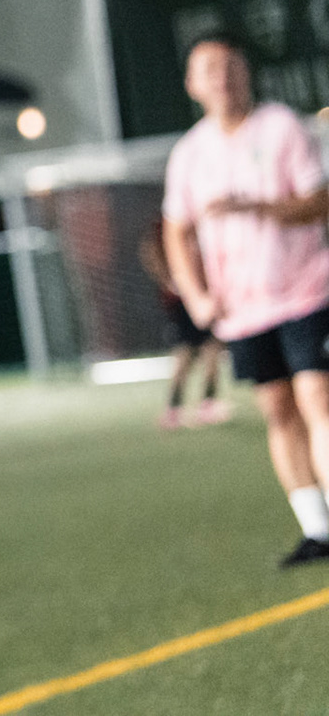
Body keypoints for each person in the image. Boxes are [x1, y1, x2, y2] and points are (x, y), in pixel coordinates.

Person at [162, 33, 329, 567]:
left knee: (317, 400)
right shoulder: (189, 154)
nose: (222, 77)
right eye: (208, 68)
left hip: (306, 291)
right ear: (191, 84)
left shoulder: (282, 126)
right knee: (278, 410)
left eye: (231, 65)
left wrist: (255, 207)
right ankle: (316, 528)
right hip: (242, 307)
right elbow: (176, 231)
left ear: (247, 72)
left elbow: (317, 202)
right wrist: (195, 294)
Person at [139, 221, 229, 429]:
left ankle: (207, 403)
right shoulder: (166, 224)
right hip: (183, 299)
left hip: (205, 296)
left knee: (211, 348)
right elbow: (150, 251)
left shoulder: (202, 220)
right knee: (186, 351)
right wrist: (170, 280)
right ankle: (174, 407)